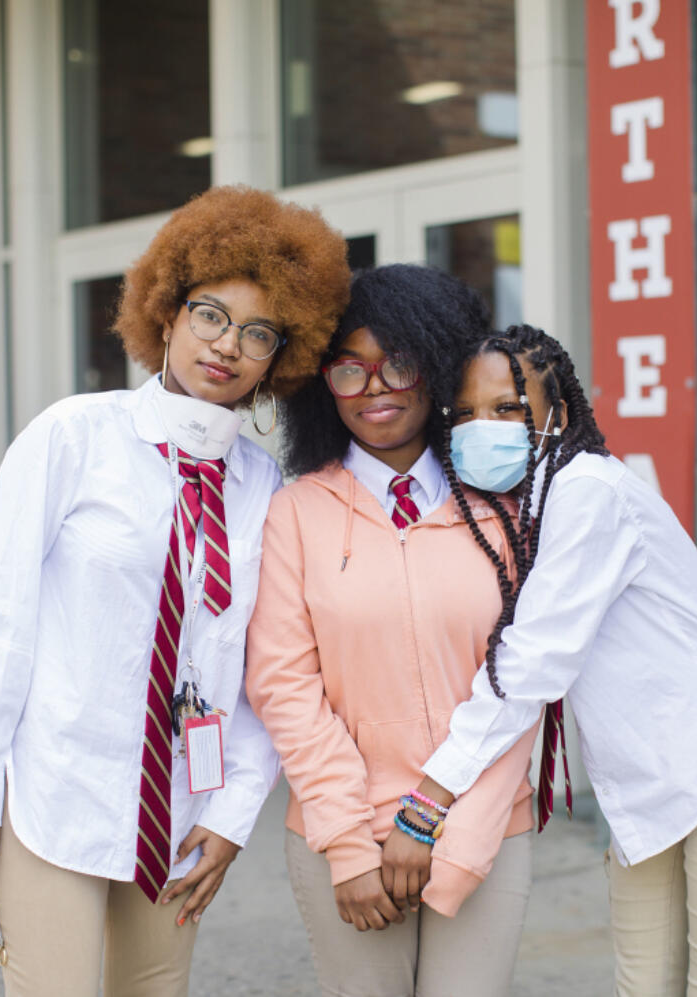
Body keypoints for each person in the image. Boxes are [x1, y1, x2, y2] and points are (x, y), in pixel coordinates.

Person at [0, 185, 351, 997]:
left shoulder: (266, 487)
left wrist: (232, 814)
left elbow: (275, 667)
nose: (227, 344)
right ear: (165, 312)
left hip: (182, 808)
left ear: (282, 356)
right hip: (56, 787)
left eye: (258, 331)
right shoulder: (72, 437)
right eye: (209, 314)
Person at [415, 324, 697, 996]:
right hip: (645, 781)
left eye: (507, 408)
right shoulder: (523, 510)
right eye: (467, 413)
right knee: (643, 985)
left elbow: (534, 659)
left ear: (557, 414)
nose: (484, 427)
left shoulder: (588, 489)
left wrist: (431, 795)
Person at [244, 265, 539, 997]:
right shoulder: (297, 513)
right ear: (324, 383)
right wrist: (349, 844)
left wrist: (455, 835)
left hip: (485, 824)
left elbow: (523, 686)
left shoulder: (502, 512)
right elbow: (284, 686)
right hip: (344, 833)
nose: (374, 387)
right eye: (350, 370)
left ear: (436, 368)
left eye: (397, 364)